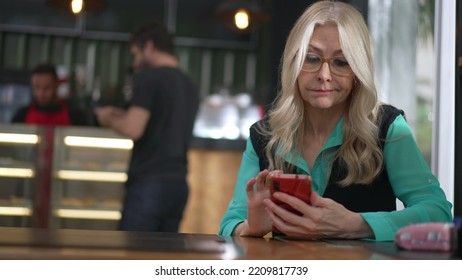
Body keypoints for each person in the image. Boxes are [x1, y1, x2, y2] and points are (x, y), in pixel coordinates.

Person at [219, 0, 452, 241]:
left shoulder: (387, 128)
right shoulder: (264, 135)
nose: (324, 75)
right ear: (293, 63)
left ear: (357, 73)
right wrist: (250, 227)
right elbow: (229, 224)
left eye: (341, 62)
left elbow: (438, 212)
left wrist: (357, 224)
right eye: (311, 58)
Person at [95, 21, 199, 232]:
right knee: (162, 258)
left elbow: (134, 128)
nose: (134, 62)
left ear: (149, 46)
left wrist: (106, 118)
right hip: (178, 185)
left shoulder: (148, 77)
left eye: (135, 54)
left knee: (133, 258)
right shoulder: (189, 84)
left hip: (149, 184)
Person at [11, 63, 88, 126]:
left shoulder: (75, 116)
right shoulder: (22, 116)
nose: (41, 94)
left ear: (56, 85)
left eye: (47, 88)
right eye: (37, 87)